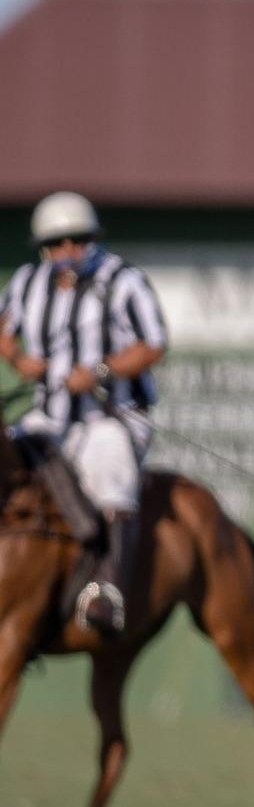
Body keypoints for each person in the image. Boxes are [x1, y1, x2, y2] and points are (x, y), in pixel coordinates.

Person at [0, 192, 169, 636]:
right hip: (48, 415)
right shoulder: (27, 283)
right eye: (58, 243)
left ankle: (107, 591)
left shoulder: (123, 281)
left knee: (110, 470)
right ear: (43, 247)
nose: (69, 250)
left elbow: (153, 345)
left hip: (109, 415)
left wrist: (100, 371)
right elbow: (3, 327)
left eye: (78, 240)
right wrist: (19, 360)